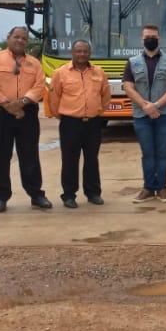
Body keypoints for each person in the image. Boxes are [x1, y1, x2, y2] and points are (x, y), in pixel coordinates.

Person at [0, 25, 52, 212]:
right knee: (1, 155)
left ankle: (36, 194)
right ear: (8, 38)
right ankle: (1, 196)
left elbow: (39, 86)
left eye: (24, 38)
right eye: (17, 37)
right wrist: (7, 105)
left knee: (30, 155)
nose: (20, 41)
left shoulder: (34, 64)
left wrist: (21, 104)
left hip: (26, 112)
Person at [123, 24, 166, 203]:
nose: (150, 39)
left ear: (159, 38)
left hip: (165, 115)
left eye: (154, 36)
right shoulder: (132, 62)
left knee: (162, 153)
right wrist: (145, 106)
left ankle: (162, 189)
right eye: (147, 36)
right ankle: (148, 188)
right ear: (142, 39)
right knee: (147, 153)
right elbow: (128, 87)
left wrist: (155, 105)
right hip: (141, 116)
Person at [49, 40, 111, 208]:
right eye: (78, 51)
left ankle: (93, 193)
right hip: (70, 123)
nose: (82, 54)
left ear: (89, 53)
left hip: (93, 123)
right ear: (72, 52)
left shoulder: (99, 72)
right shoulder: (60, 73)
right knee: (70, 160)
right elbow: (54, 99)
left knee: (92, 159)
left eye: (85, 51)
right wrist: (62, 115)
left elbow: (105, 96)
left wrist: (97, 111)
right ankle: (69, 195)